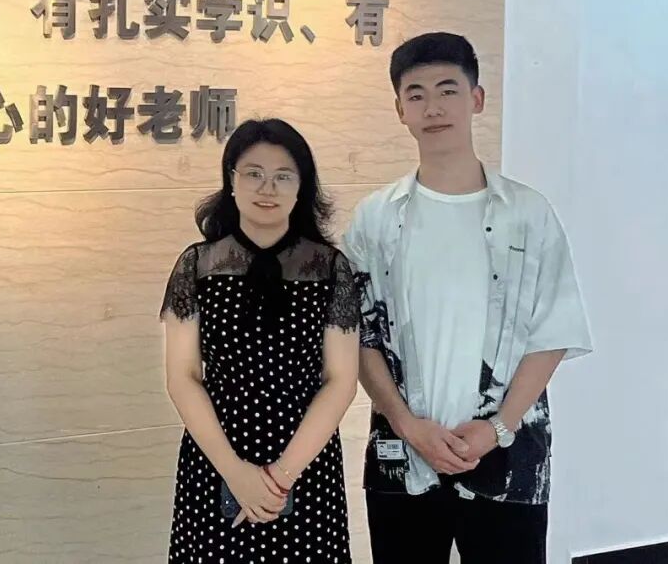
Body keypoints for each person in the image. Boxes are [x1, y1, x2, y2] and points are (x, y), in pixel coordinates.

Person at [343, 32, 593, 564]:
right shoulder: (375, 219)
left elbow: (551, 333)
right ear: (400, 110)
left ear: (476, 99)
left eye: (448, 90)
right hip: (403, 456)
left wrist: (497, 428)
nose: (433, 107)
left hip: (509, 456)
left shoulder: (527, 213)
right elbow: (360, 336)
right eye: (416, 95)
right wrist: (407, 425)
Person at [161, 118, 368, 563]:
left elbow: (341, 382)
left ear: (301, 187)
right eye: (253, 173)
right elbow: (182, 378)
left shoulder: (330, 268)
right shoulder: (197, 265)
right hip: (216, 458)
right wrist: (236, 473)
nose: (267, 187)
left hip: (305, 462)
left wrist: (280, 477)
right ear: (231, 180)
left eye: (283, 176)